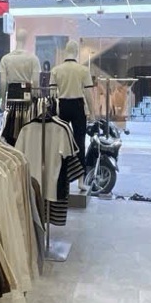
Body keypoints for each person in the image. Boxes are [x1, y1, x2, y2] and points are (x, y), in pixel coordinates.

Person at [50, 40, 96, 191]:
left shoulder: (56, 70)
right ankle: (80, 181)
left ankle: (62, 180)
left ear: (65, 51)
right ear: (76, 51)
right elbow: (88, 94)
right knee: (80, 143)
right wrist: (93, 112)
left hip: (62, 106)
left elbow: (52, 95)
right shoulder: (83, 70)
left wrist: (53, 112)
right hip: (78, 106)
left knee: (61, 145)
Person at [0, 28, 41, 106]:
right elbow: (35, 81)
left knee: (12, 112)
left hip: (12, 93)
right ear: (26, 39)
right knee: (26, 113)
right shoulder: (33, 59)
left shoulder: (5, 59)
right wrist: (35, 98)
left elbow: (3, 82)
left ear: (16, 39)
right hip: (27, 92)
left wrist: (3, 100)